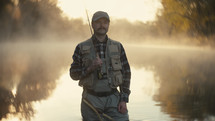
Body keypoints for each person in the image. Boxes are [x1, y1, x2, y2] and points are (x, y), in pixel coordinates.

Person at [70, 11, 131, 121]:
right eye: (98, 22)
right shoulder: (80, 47)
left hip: (114, 99)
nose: (102, 25)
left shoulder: (118, 46)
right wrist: (90, 68)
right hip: (90, 100)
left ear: (108, 25)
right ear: (92, 24)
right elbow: (73, 74)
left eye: (105, 22)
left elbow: (126, 73)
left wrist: (123, 99)